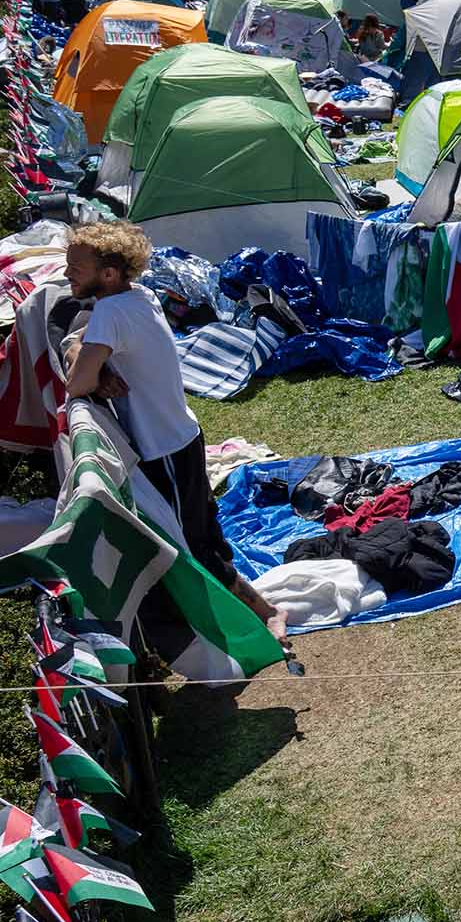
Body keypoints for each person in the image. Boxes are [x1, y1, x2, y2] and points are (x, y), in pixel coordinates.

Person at [61, 224, 285, 638]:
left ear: (108, 274)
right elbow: (85, 344)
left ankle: (263, 616)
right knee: (205, 533)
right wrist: (87, 355)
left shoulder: (110, 313)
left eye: (76, 267)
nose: (66, 274)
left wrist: (84, 359)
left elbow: (76, 384)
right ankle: (252, 613)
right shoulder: (138, 295)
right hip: (183, 434)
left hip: (162, 448)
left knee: (191, 545)